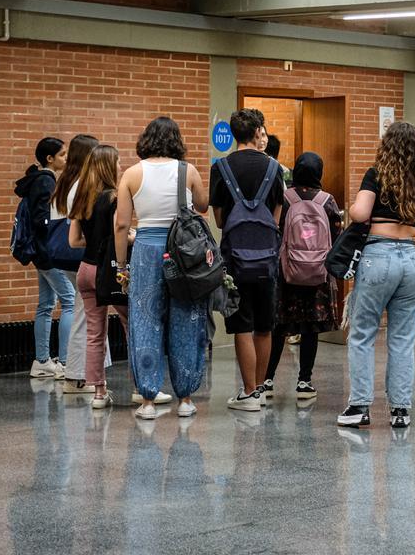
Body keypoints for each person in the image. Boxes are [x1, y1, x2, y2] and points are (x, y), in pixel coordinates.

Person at [338, 121, 415, 430]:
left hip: (377, 256)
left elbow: (360, 213)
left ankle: (359, 406)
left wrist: (355, 206)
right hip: (412, 259)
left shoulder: (376, 174)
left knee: (363, 334)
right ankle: (400, 410)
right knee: (402, 339)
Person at [115, 116, 211, 420]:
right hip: (181, 253)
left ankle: (147, 400)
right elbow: (203, 206)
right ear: (177, 141)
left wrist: (121, 265)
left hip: (145, 250)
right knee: (185, 319)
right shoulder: (189, 171)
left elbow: (121, 224)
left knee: (145, 320)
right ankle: (185, 398)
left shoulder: (131, 174)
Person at [209, 109, 286, 412]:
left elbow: (217, 217)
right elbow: (278, 212)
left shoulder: (221, 167)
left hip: (234, 256)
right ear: (257, 133)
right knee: (264, 325)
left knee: (242, 323)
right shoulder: (274, 167)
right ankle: (263, 388)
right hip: (266, 257)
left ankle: (249, 392)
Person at [265, 151, 343, 401]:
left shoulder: (285, 198)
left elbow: (274, 229)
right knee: (311, 327)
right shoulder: (327, 201)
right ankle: (304, 381)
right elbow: (335, 236)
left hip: (286, 271)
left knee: (279, 326)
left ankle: (267, 379)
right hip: (317, 273)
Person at [67, 144, 127, 408]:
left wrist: (95, 242)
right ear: (107, 166)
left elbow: (73, 241)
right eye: (118, 162)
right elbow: (119, 233)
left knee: (94, 333)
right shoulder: (114, 198)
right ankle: (143, 386)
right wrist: (131, 237)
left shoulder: (82, 198)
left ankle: (99, 393)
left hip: (85, 270)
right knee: (132, 324)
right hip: (109, 271)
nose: (121, 167)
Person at [15, 137, 75, 379]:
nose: (66, 158)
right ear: (50, 159)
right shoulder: (47, 181)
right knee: (69, 300)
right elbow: (42, 220)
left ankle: (42, 361)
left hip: (39, 254)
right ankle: (66, 362)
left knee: (46, 304)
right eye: (62, 155)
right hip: (48, 253)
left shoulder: (38, 180)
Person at [51, 134, 98, 394]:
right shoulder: (83, 185)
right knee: (84, 315)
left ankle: (89, 373)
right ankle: (78, 375)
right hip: (80, 256)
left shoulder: (65, 181)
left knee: (85, 312)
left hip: (63, 257)